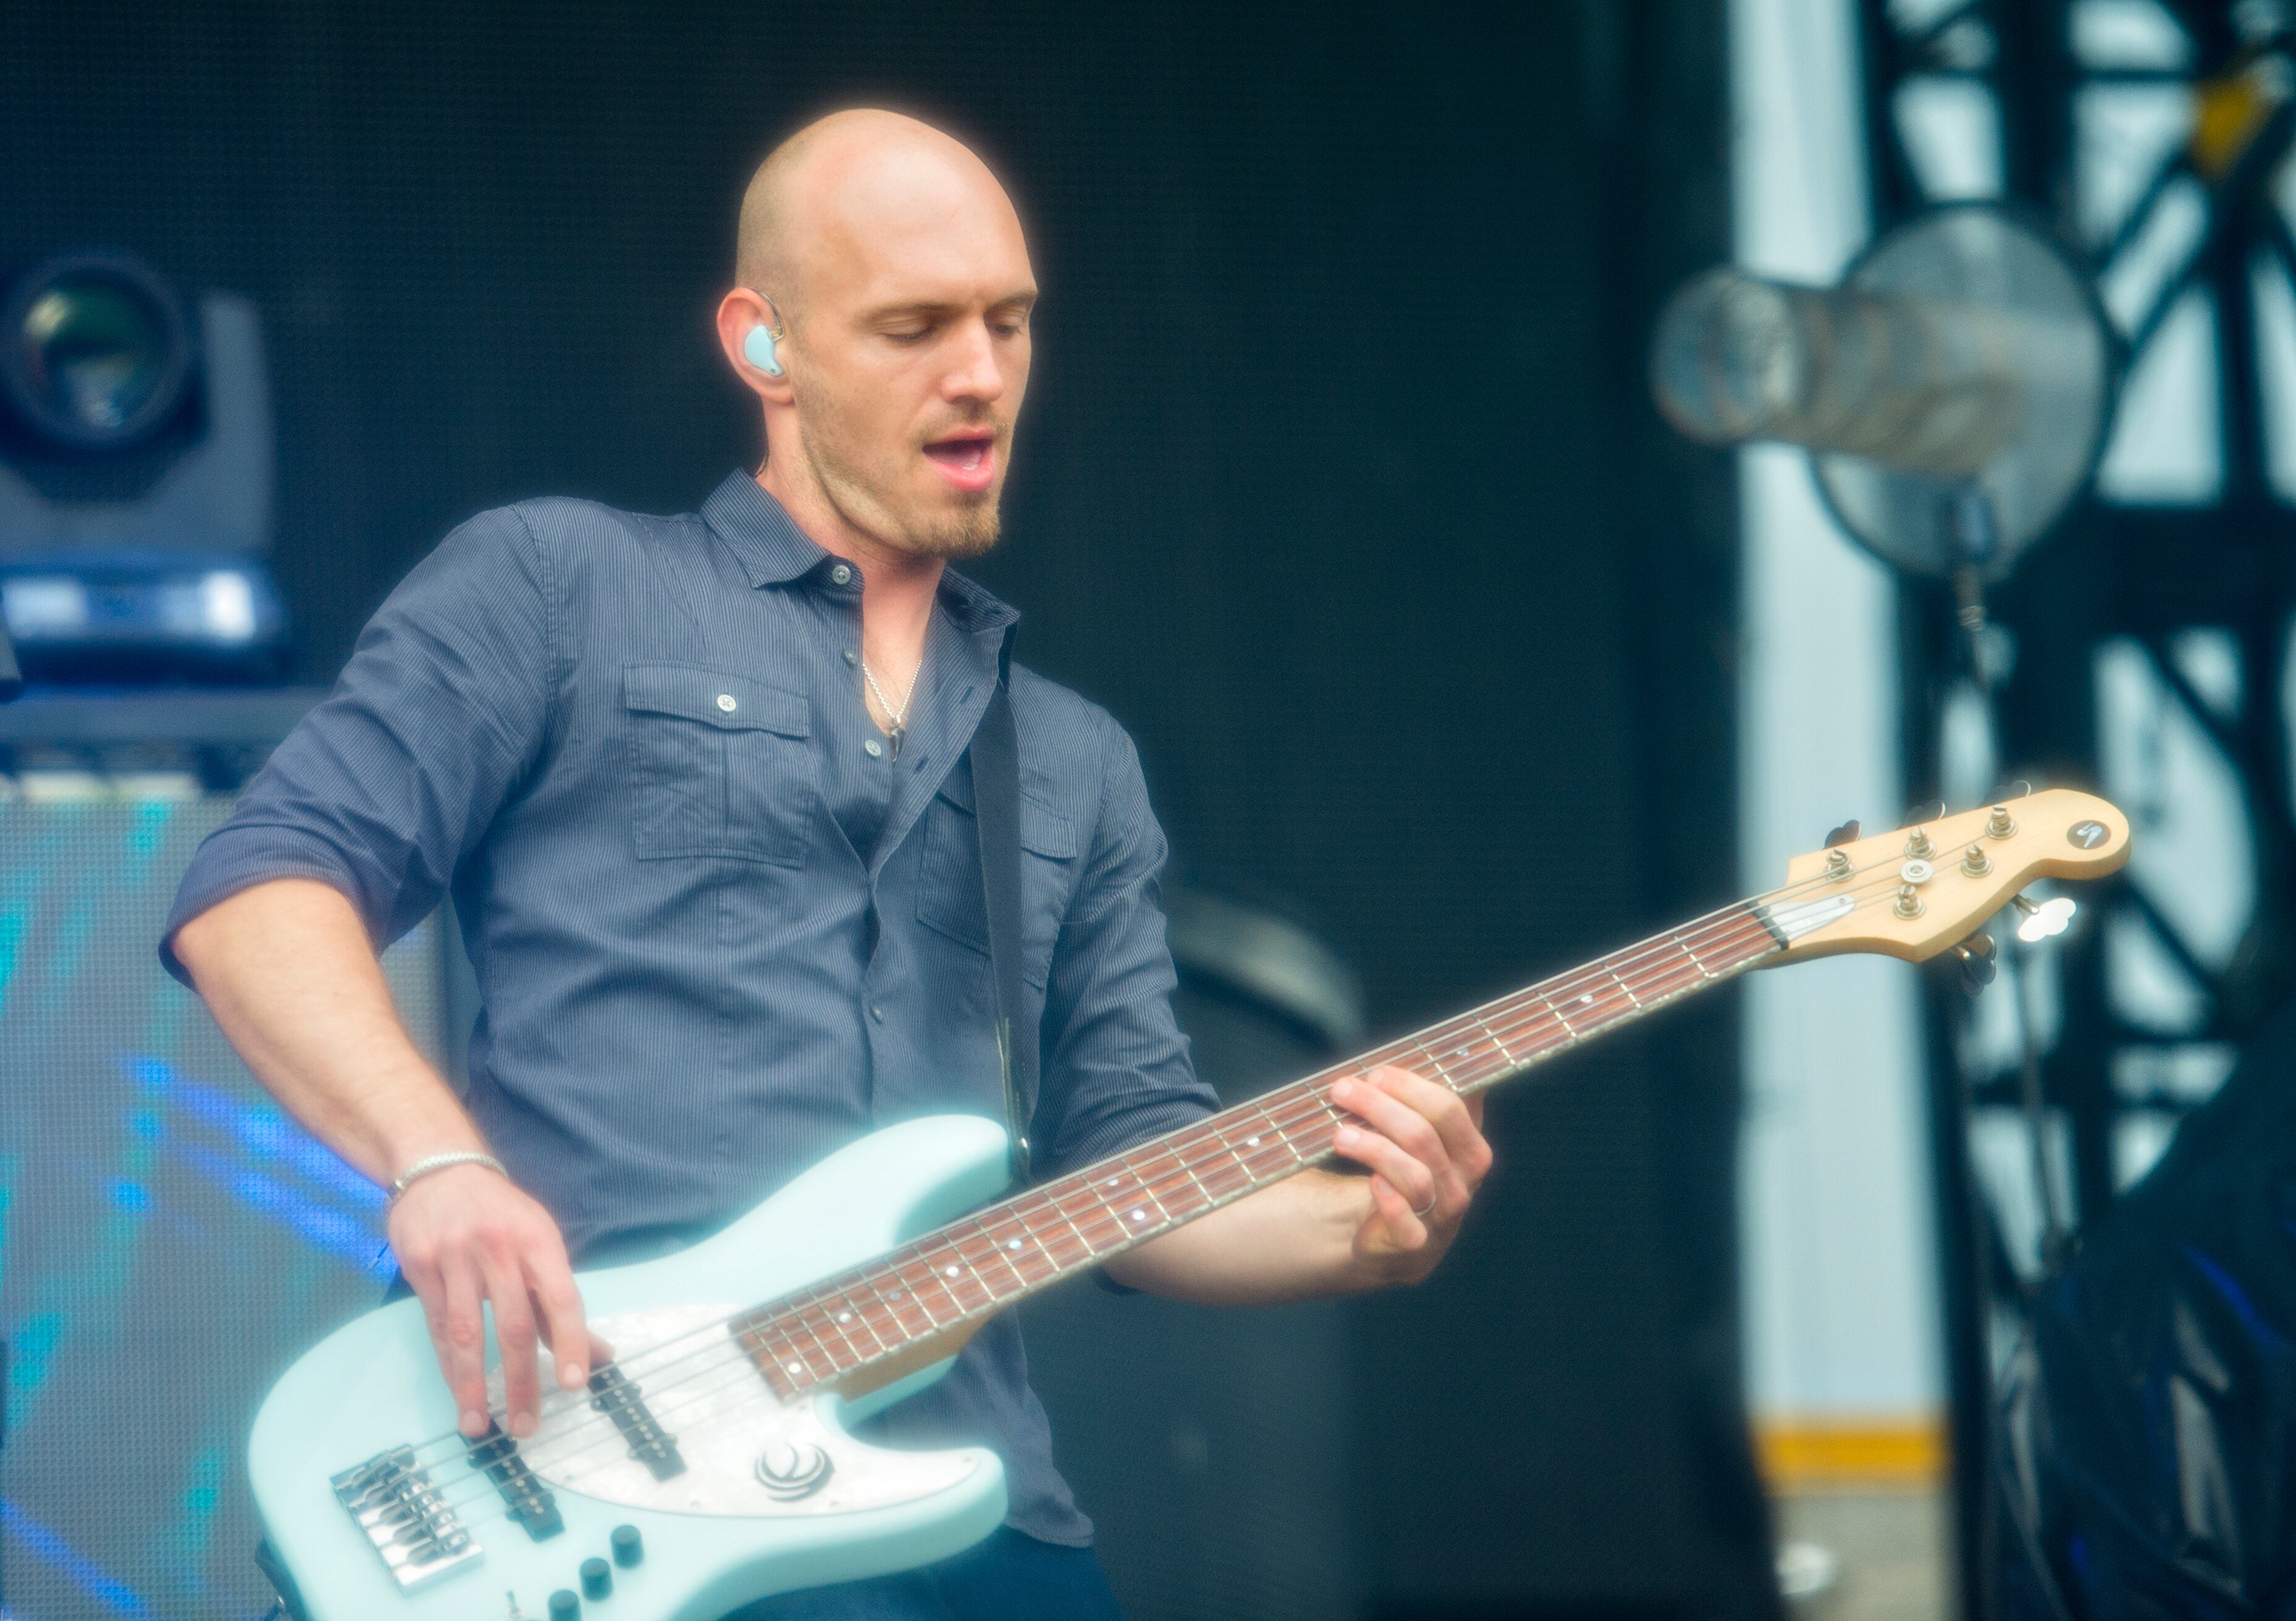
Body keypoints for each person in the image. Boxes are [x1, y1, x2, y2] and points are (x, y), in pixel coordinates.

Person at [164, 108, 1493, 1620]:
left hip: (972, 1504)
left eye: (1008, 322)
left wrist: (1362, 1229)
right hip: (582, 1464)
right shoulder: (560, 584)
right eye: (914, 327)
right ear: (766, 343)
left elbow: (1137, 1167)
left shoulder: (1071, 758)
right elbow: (261, 887)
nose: (981, 374)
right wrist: (439, 1159)